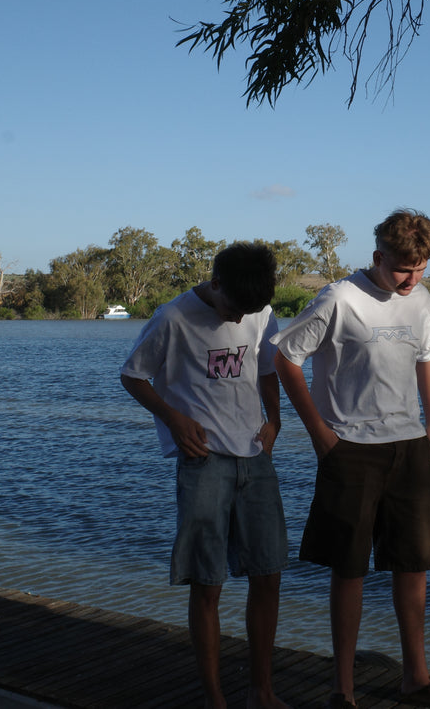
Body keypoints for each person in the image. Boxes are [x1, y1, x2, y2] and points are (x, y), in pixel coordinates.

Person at [271, 210, 430, 709]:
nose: (412, 279)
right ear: (378, 256)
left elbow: (426, 358)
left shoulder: (423, 299)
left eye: (422, 267)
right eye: (403, 269)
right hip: (352, 450)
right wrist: (318, 431)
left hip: (410, 448)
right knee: (349, 569)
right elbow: (285, 358)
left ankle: (416, 678)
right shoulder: (339, 298)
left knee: (414, 565)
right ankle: (343, 689)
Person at [119, 242, 290, 709]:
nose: (239, 320)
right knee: (207, 582)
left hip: (255, 457)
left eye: (248, 312)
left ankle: (262, 693)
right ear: (215, 284)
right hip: (203, 462)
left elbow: (267, 369)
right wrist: (172, 418)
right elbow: (133, 376)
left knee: (269, 574)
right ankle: (215, 699)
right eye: (233, 308)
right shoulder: (172, 319)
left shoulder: (258, 310)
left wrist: (274, 421)